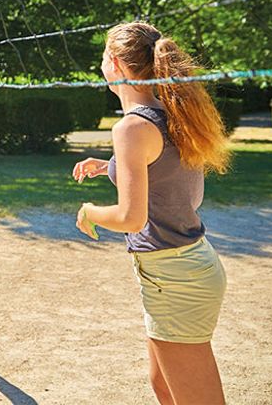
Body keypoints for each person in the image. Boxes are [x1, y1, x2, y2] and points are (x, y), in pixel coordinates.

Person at [72, 22, 230, 405]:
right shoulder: (166, 112)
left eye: (103, 56)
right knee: (162, 386)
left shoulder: (131, 128)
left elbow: (131, 218)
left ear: (115, 64)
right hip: (180, 270)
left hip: (176, 278)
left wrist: (90, 211)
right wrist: (111, 166)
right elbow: (174, 182)